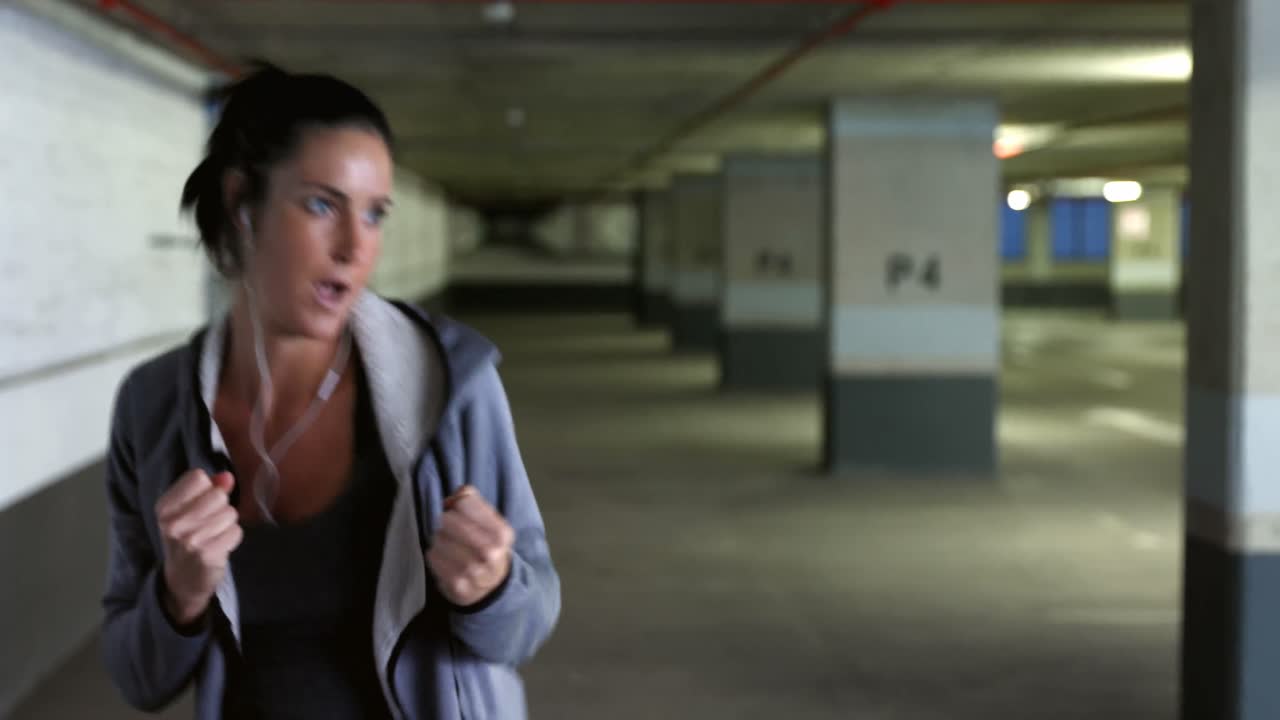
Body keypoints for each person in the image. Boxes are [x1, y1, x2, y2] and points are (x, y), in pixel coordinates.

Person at [100, 64, 560, 720]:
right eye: (322, 205)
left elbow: (529, 622)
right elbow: (137, 676)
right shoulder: (152, 410)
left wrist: (490, 589)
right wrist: (179, 593)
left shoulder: (449, 384)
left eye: (374, 215)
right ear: (241, 203)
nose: (354, 247)